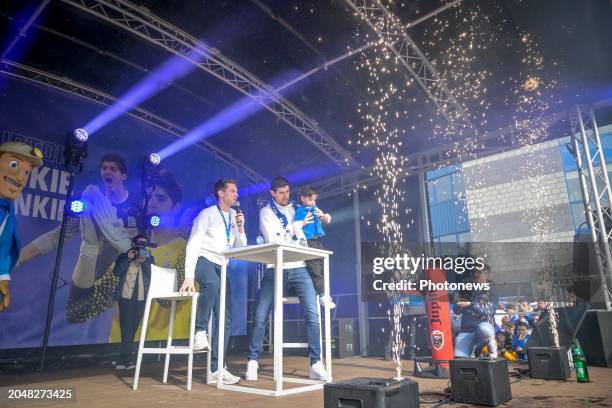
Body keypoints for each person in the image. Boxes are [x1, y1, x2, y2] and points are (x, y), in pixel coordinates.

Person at [17, 154, 140, 322]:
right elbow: (57, 237)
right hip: (91, 277)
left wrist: (125, 242)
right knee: (75, 314)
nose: (107, 171)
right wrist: (14, 260)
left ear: (123, 176)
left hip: (125, 274)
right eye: (104, 168)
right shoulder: (93, 204)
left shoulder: (137, 207)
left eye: (113, 168)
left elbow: (145, 247)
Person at [245, 177, 329, 382]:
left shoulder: (296, 208)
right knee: (260, 315)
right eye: (281, 193)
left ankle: (316, 363)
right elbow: (275, 240)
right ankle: (252, 361)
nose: (286, 196)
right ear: (272, 193)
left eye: (288, 192)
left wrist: (322, 218)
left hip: (300, 267)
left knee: (312, 312)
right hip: (276, 268)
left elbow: (308, 234)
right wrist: (295, 228)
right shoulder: (265, 211)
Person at [179, 178, 246, 385]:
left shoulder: (235, 217)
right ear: (220, 192)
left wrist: (241, 229)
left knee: (225, 317)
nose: (237, 194)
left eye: (237, 191)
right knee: (213, 284)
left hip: (222, 265)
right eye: (233, 190)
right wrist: (189, 275)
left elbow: (240, 247)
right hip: (203, 260)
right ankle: (199, 330)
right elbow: (193, 243)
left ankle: (216, 368)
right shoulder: (206, 214)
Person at [0, 142, 44, 311]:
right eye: (14, 165)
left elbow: (3, 248)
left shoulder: (8, 211)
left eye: (27, 172)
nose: (20, 178)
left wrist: (2, 278)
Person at [113, 235, 154, 369]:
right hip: (125, 298)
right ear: (134, 244)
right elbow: (117, 272)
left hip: (141, 299)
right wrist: (127, 258)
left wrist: (145, 261)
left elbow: (153, 275)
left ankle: (122, 357)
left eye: (145, 244)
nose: (143, 246)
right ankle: (126, 359)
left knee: (133, 330)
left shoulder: (149, 258)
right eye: (140, 243)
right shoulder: (125, 256)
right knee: (127, 329)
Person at [293, 185, 335, 309]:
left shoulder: (315, 208)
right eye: (311, 200)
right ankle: (321, 295)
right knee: (315, 268)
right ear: (303, 198)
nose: (313, 202)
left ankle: (324, 293)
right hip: (307, 241)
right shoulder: (300, 211)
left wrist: (326, 217)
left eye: (314, 200)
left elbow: (323, 218)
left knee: (322, 266)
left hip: (316, 240)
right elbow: (296, 227)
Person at [452, 263, 498, 359]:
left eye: (479, 272)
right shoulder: (466, 287)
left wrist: (471, 305)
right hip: (467, 331)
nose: (476, 274)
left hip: (485, 326)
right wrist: (459, 304)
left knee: (483, 330)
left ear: (487, 274)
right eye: (474, 272)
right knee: (459, 356)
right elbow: (456, 311)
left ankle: (489, 347)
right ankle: (475, 349)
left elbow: (489, 311)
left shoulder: (492, 289)